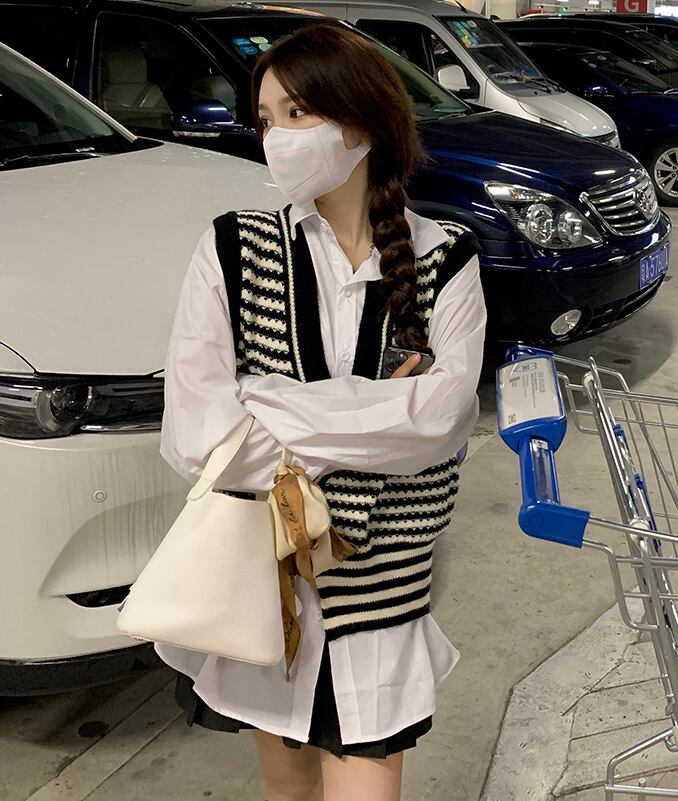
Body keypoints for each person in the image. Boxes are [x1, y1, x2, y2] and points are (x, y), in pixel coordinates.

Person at [155, 21, 486, 801]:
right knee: (288, 791)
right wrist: (379, 414)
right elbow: (196, 435)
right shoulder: (232, 249)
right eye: (266, 119)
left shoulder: (448, 258)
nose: (277, 137)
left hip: (383, 592)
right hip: (265, 590)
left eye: (298, 113)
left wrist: (267, 401)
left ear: (363, 123)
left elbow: (442, 420)